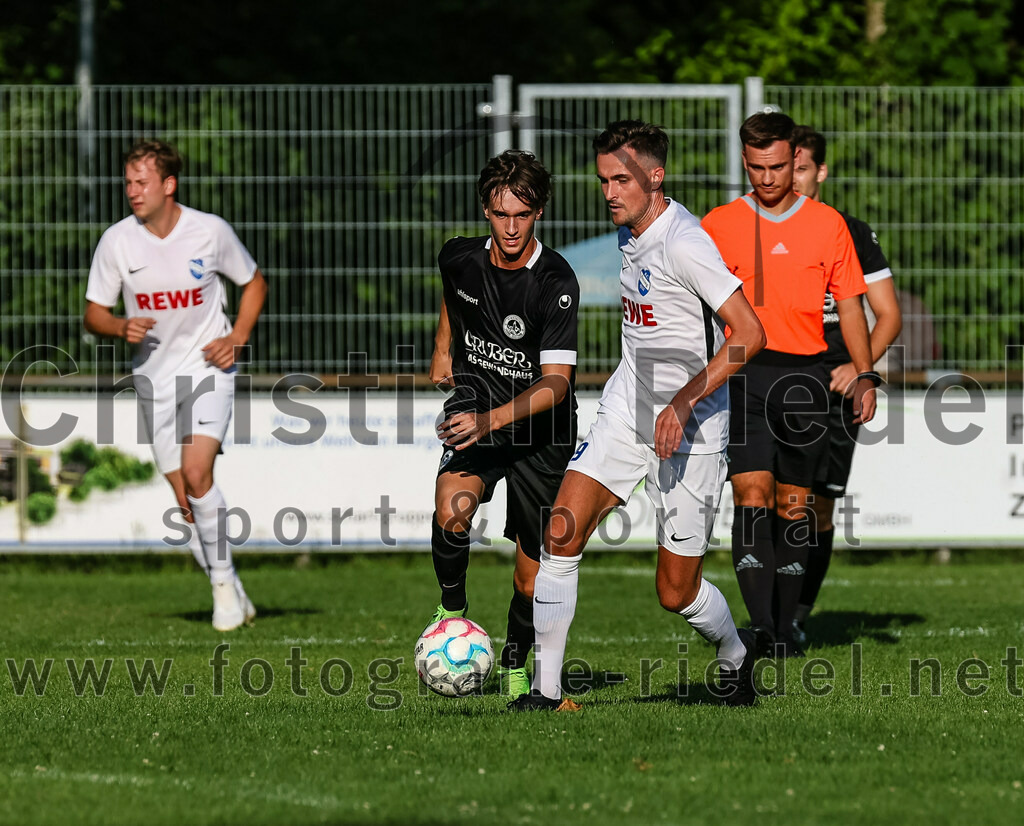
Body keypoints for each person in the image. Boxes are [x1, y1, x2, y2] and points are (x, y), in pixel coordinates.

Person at [517, 120, 767, 712]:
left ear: (655, 177)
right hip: (627, 411)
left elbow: (751, 332)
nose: (609, 192)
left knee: (674, 592)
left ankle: (735, 655)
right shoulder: (630, 232)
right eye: (603, 179)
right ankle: (545, 692)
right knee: (561, 530)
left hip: (693, 429)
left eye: (621, 179)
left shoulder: (684, 241)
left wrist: (682, 401)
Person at [702, 112, 877, 657]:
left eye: (778, 166)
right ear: (745, 162)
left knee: (795, 505)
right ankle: (759, 630)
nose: (768, 178)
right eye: (756, 168)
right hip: (745, 374)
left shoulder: (829, 226)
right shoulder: (718, 224)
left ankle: (783, 627)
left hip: (807, 378)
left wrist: (866, 374)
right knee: (751, 494)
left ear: (793, 160)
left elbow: (852, 309)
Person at [84, 139, 267, 632]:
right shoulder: (117, 241)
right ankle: (234, 590)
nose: (132, 192)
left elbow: (254, 283)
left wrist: (237, 336)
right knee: (185, 502)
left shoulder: (210, 232)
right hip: (153, 381)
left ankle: (223, 589)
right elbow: (93, 313)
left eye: (141, 182)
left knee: (197, 471)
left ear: (169, 185)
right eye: (127, 182)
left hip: (209, 370)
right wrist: (120, 326)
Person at [427, 149, 580, 701]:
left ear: (538, 211)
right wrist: (444, 345)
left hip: (542, 433)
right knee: (452, 512)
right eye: (500, 214)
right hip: (475, 407)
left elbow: (557, 382)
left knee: (530, 579)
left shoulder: (555, 281)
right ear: (485, 212)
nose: (510, 227)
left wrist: (491, 419)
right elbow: (452, 289)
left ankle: (517, 667)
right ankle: (451, 614)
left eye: (522, 214)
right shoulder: (460, 258)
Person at [789, 125, 902, 643]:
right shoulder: (761, 230)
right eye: (783, 166)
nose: (791, 178)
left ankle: (797, 612)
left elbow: (888, 315)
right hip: (778, 383)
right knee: (765, 496)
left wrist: (860, 367)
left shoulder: (851, 233)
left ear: (821, 172)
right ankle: (768, 610)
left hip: (834, 392)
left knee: (819, 505)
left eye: (802, 168)